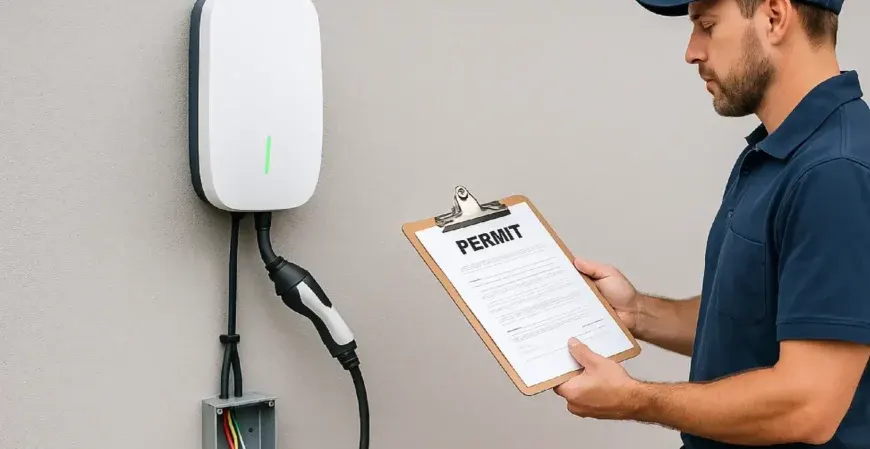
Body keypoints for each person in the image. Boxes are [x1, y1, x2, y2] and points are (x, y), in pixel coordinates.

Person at [551, 0, 870, 448]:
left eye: (707, 25)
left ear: (775, 17)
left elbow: (807, 406)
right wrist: (636, 312)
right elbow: (757, 314)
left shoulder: (836, 170)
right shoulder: (777, 153)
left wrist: (635, 399)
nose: (692, 51)